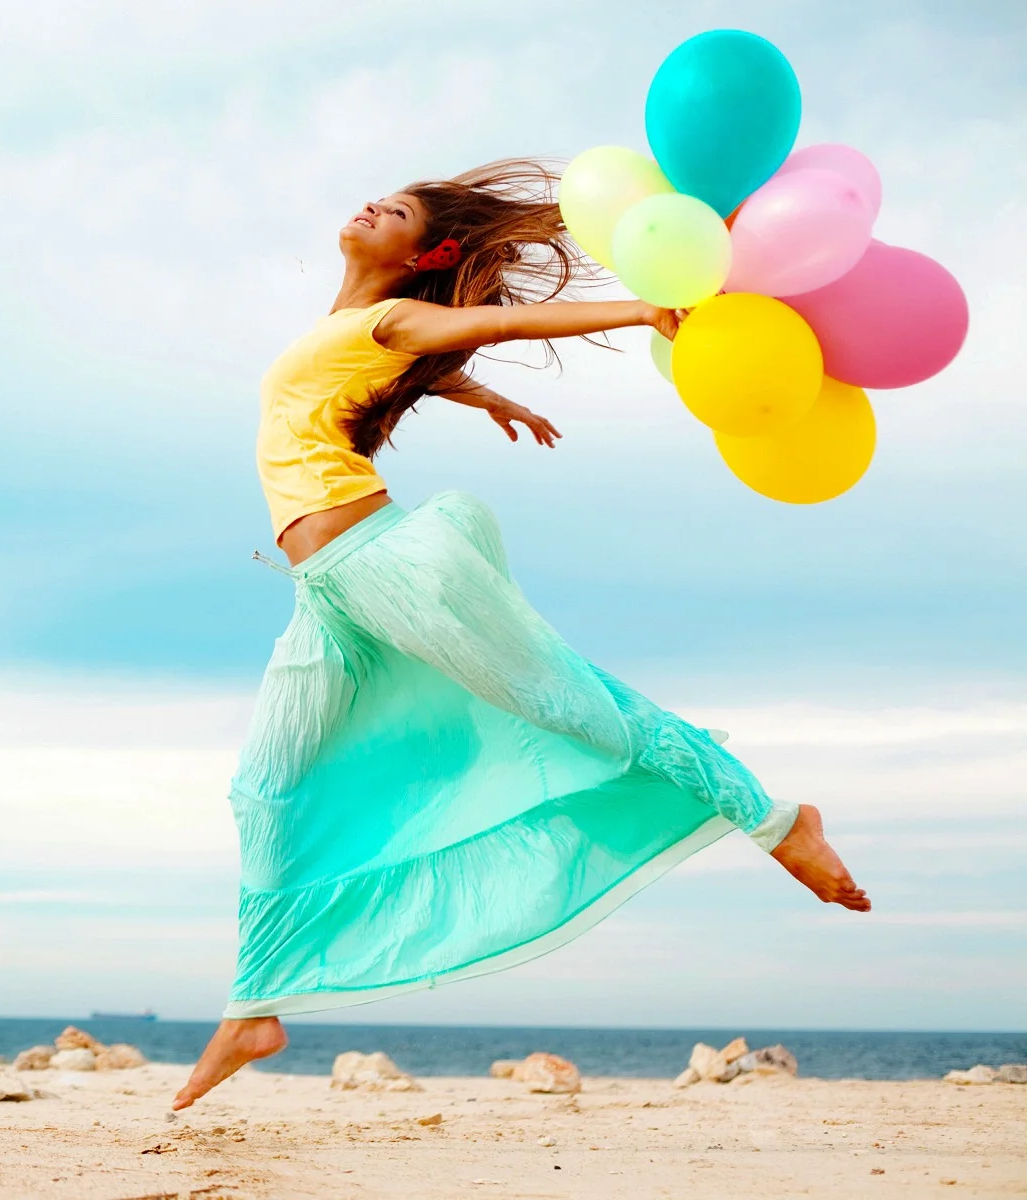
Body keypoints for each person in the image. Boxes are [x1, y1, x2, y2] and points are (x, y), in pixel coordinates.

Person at [172, 160, 869, 1112]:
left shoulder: (395, 319)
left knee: (568, 703)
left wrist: (634, 312)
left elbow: (491, 324)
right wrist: (485, 400)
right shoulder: (357, 330)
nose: (373, 203)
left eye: (401, 210)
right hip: (328, 594)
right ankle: (256, 1003)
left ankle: (777, 822)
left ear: (431, 252)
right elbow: (425, 360)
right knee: (264, 788)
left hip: (389, 565)